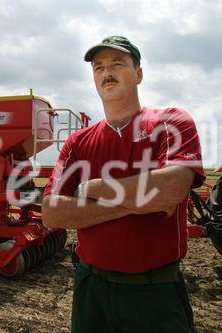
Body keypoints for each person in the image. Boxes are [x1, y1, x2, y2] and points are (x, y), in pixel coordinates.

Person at [42, 36, 205, 333]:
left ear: (139, 74)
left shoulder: (170, 123)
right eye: (99, 67)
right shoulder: (78, 141)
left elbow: (171, 190)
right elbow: (52, 213)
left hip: (153, 291)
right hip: (90, 287)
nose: (107, 73)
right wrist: (140, 203)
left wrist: (93, 190)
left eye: (118, 64)